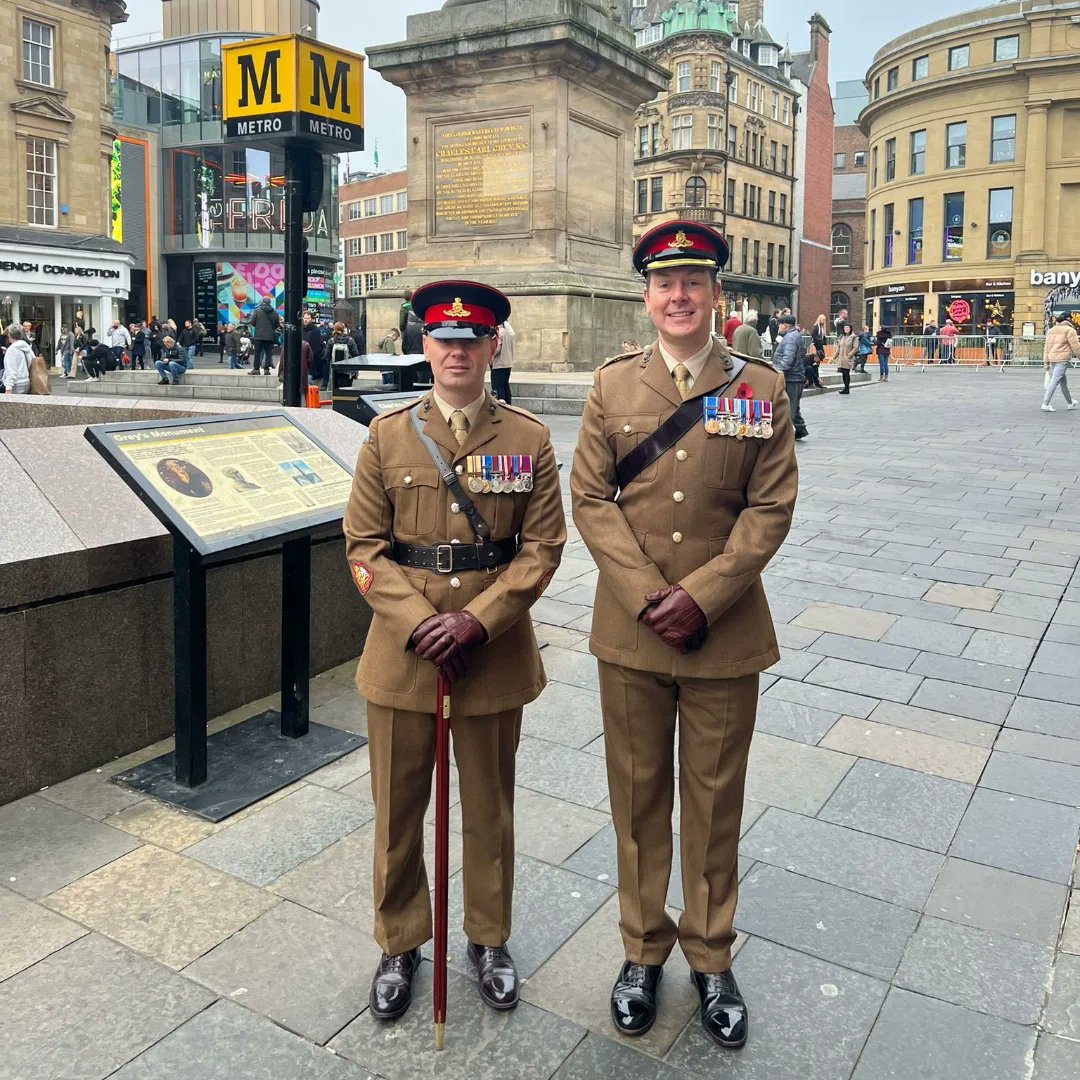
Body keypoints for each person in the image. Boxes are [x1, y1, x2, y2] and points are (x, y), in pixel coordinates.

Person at [569, 219, 797, 1052]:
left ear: (715, 295)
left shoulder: (761, 390)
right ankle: (641, 950)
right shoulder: (612, 388)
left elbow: (771, 507)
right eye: (665, 284)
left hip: (724, 634)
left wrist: (701, 596)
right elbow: (590, 498)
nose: (678, 296)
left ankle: (710, 953)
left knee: (712, 802)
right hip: (631, 636)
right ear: (646, 295)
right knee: (636, 800)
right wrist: (645, 595)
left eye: (693, 282)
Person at [343, 279, 565, 1023]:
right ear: (425, 346)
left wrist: (478, 620)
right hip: (403, 654)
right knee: (399, 809)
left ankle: (488, 938)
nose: (457, 353)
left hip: (490, 651)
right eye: (443, 340)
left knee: (489, 809)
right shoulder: (387, 437)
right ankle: (399, 939)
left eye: (471, 342)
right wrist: (416, 622)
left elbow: (541, 549)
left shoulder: (528, 438)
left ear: (493, 347)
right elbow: (364, 549)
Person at [772, 312, 809, 439]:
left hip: (792, 378)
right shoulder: (792, 335)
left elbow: (788, 359)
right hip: (794, 377)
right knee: (793, 405)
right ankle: (800, 429)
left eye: (780, 325)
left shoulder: (791, 338)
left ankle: (786, 434)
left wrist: (777, 371)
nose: (778, 327)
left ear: (785, 325)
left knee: (790, 407)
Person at [1041, 313, 1080, 412]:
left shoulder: (1051, 330)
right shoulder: (1069, 330)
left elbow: (1046, 348)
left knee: (1063, 382)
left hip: (1053, 358)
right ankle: (1045, 403)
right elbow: (1076, 347)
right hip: (1062, 359)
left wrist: (1046, 362)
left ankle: (1070, 402)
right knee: (1054, 381)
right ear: (1068, 319)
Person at [251, 296, 281, 374]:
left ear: (262, 302)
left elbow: (253, 323)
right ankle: (266, 370)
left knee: (257, 352)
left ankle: (256, 369)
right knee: (268, 353)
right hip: (270, 336)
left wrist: (259, 327)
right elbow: (277, 325)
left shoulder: (257, 311)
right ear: (270, 303)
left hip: (259, 336)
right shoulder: (275, 312)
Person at [325, 321, 358, 391]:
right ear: (344, 329)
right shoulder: (350, 341)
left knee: (336, 392)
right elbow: (356, 354)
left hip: (335, 371)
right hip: (347, 371)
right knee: (347, 391)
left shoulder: (331, 341)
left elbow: (327, 356)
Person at [2, 324, 33, 394]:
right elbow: (30, 361)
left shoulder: (12, 350)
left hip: (16, 383)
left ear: (10, 335)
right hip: (25, 380)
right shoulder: (26, 347)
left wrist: (8, 388)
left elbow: (10, 369)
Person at [491, 319, 515, 402]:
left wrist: (489, 355)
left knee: (498, 387)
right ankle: (508, 405)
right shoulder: (509, 333)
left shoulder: (499, 332)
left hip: (498, 363)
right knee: (505, 386)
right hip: (508, 363)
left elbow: (497, 348)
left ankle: (500, 406)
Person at [835, 321, 857, 393]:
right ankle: (845, 388)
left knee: (846, 373)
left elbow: (855, 348)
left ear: (850, 329)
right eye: (845, 328)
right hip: (841, 358)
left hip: (847, 358)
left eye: (847, 328)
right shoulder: (842, 337)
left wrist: (849, 355)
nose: (846, 329)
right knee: (843, 373)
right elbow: (838, 348)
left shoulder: (853, 337)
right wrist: (834, 357)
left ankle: (847, 388)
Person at [806, 314, 828, 389]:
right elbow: (813, 336)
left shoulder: (821, 328)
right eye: (823, 320)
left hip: (819, 347)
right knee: (814, 365)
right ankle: (815, 381)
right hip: (817, 347)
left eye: (825, 320)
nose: (824, 321)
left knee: (816, 365)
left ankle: (815, 382)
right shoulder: (817, 327)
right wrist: (820, 341)